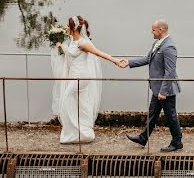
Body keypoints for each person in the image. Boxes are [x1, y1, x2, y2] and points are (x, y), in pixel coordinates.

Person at [51, 15, 124, 144]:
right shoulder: (72, 41)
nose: (66, 28)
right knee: (81, 104)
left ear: (73, 28)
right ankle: (82, 133)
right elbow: (70, 54)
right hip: (73, 76)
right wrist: (61, 48)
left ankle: (77, 132)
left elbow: (99, 53)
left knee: (65, 100)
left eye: (68, 26)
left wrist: (116, 61)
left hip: (81, 77)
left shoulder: (83, 43)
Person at [122, 19, 183, 152]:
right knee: (152, 114)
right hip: (158, 88)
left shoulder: (169, 47)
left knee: (171, 116)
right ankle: (143, 138)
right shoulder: (158, 43)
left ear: (161, 30)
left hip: (165, 90)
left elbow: (170, 71)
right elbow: (147, 59)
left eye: (153, 30)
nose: (152, 32)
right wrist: (128, 62)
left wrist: (163, 91)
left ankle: (177, 142)